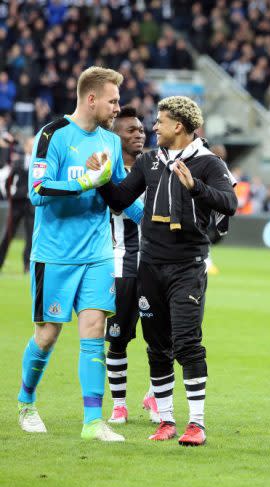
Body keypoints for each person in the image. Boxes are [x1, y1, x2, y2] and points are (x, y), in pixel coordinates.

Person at [92, 96, 238, 446]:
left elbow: (230, 203)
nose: (153, 127)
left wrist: (195, 188)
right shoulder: (149, 161)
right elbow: (120, 199)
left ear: (179, 126)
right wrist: (98, 177)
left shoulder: (208, 163)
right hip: (150, 266)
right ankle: (167, 420)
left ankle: (197, 424)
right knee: (156, 347)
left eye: (160, 121)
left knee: (187, 343)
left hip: (187, 266)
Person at [17, 66, 141, 442]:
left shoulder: (108, 142)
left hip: (98, 254)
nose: (118, 108)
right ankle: (26, 403)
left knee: (93, 331)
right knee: (47, 335)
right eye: (113, 100)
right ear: (91, 99)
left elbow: (119, 198)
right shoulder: (52, 135)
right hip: (54, 255)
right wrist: (83, 181)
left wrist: (160, 216)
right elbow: (37, 191)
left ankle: (92, 421)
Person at [104, 106, 159, 424]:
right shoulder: (106, 173)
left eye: (141, 129)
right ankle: (119, 404)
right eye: (131, 130)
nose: (139, 133)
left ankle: (155, 396)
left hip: (155, 265)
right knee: (118, 338)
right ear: (114, 137)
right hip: (121, 265)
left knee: (160, 339)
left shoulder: (155, 166)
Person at [0, 134, 34, 272]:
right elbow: (8, 180)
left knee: (31, 234)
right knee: (9, 233)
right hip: (18, 201)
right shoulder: (17, 162)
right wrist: (11, 194)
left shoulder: (41, 162)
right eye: (31, 144)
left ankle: (27, 265)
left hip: (31, 203)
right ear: (26, 147)